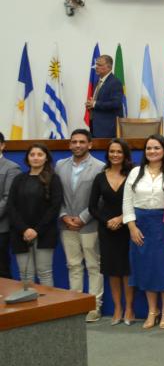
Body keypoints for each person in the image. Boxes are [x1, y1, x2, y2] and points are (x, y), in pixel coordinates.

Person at [123, 134, 164, 329]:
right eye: (148, 148)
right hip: (141, 226)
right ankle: (151, 312)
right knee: (146, 268)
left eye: (156, 148)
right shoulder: (135, 172)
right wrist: (131, 226)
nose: (152, 151)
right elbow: (127, 201)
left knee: (163, 269)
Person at [56, 128, 105, 322]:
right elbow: (55, 193)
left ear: (90, 144)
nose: (77, 145)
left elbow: (101, 198)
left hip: (89, 225)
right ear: (69, 144)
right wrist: (63, 215)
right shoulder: (60, 165)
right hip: (66, 225)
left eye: (81, 142)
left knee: (94, 266)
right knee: (73, 266)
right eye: (74, 142)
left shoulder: (99, 166)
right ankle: (75, 306)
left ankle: (94, 307)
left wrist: (84, 217)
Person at [90, 138, 134, 325]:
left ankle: (130, 309)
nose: (115, 155)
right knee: (112, 271)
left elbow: (138, 201)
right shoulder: (100, 177)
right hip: (107, 229)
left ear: (125, 155)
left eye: (119, 152)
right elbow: (92, 207)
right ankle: (117, 308)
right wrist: (107, 221)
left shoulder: (133, 173)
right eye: (112, 152)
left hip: (128, 227)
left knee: (127, 270)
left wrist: (122, 218)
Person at [6, 143, 63, 287]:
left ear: (46, 158)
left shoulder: (53, 179)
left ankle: (48, 309)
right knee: (25, 274)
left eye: (40, 154)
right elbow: (11, 206)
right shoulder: (19, 179)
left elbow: (54, 208)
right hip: (20, 234)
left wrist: (36, 230)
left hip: (44, 233)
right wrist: (24, 229)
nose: (36, 158)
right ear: (27, 158)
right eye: (32, 155)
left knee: (44, 273)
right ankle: (29, 308)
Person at [86, 54, 124, 138]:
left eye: (99, 65)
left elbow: (116, 103)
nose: (96, 67)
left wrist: (95, 104)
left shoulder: (115, 83)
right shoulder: (98, 82)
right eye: (96, 64)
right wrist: (91, 105)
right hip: (96, 127)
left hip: (107, 130)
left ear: (109, 67)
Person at [0, 132, 18, 280]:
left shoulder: (11, 168)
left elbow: (8, 198)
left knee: (2, 269)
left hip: (1, 228)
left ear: (2, 145)